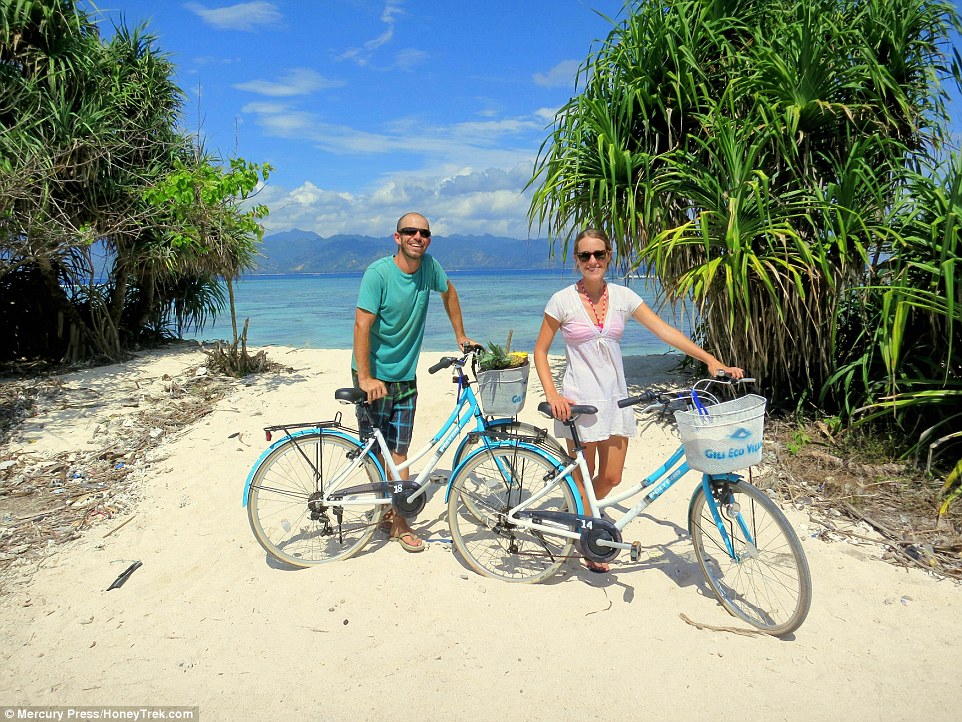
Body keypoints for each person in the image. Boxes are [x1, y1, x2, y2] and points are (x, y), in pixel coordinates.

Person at [533, 228, 744, 572]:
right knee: (583, 478)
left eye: (599, 254)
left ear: (609, 257)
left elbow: (664, 330)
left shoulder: (623, 297)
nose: (592, 261)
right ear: (576, 260)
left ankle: (580, 515)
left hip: (616, 399)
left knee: (612, 478)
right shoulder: (562, 301)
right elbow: (540, 351)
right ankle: (587, 536)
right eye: (585, 255)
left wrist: (709, 359)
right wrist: (552, 394)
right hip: (577, 402)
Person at [353, 212, 477, 553]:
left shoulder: (430, 267)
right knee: (376, 452)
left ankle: (399, 521)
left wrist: (461, 335)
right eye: (410, 232)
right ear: (397, 237)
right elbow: (362, 326)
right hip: (374, 376)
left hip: (406, 376)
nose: (417, 237)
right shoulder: (378, 274)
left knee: (400, 450)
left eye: (423, 233)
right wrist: (365, 377)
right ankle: (386, 509)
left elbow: (449, 292)